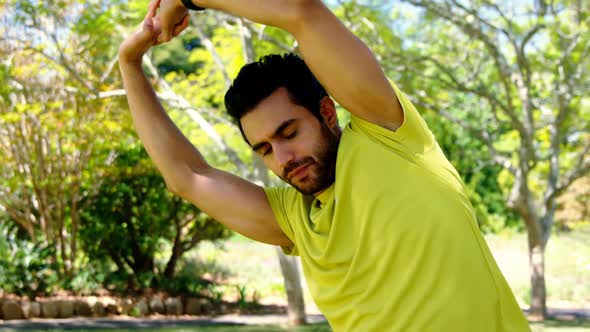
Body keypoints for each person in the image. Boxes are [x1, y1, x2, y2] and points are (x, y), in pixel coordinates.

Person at [118, 0, 531, 330]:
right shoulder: (296, 220)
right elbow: (188, 177)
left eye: (289, 132)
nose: (282, 159)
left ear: (327, 112)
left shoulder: (386, 134)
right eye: (263, 149)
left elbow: (302, 13)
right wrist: (129, 63)